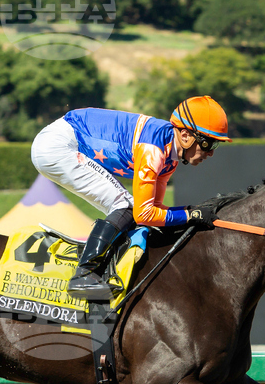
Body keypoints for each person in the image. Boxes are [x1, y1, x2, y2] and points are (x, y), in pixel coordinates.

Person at [31, 96, 231, 300]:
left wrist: (189, 213)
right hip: (58, 145)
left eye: (215, 146)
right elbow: (144, 214)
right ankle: (84, 276)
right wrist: (189, 216)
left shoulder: (169, 158)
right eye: (208, 144)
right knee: (125, 205)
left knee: (127, 208)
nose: (211, 153)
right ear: (186, 135)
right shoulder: (154, 149)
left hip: (61, 141)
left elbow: (155, 208)